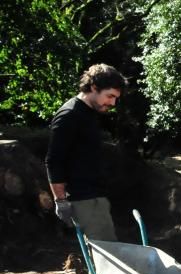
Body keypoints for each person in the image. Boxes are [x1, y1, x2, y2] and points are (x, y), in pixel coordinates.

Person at [45, 64, 126, 241]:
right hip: (84, 199)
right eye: (110, 96)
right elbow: (54, 160)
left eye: (115, 98)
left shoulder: (88, 112)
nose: (112, 103)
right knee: (107, 252)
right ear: (94, 88)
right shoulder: (69, 115)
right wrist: (60, 201)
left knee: (103, 252)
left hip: (95, 196)